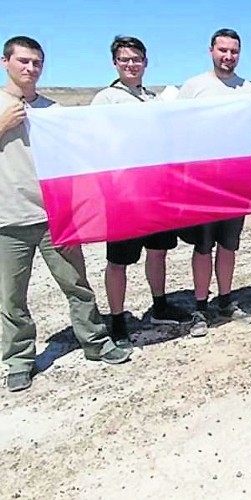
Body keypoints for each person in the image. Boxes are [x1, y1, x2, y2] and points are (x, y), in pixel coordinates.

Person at [0, 36, 132, 392]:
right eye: (23, 61)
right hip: (8, 220)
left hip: (54, 217)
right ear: (5, 61)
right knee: (12, 297)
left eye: (36, 63)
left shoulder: (53, 112)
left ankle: (96, 341)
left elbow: (78, 163)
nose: (30, 68)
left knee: (77, 286)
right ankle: (19, 359)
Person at [90, 36, 187, 349]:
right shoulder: (106, 99)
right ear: (115, 63)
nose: (131, 64)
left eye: (136, 59)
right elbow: (96, 141)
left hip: (156, 192)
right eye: (124, 59)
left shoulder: (154, 99)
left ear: (146, 62)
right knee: (118, 260)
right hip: (122, 196)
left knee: (158, 252)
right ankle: (118, 319)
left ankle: (159, 305)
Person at [177, 28, 251, 336]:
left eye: (233, 51)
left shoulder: (247, 89)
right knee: (202, 246)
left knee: (228, 245)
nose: (228, 56)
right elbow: (176, 128)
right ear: (211, 50)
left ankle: (225, 300)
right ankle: (200, 307)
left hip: (234, 184)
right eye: (223, 50)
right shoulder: (195, 87)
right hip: (201, 183)